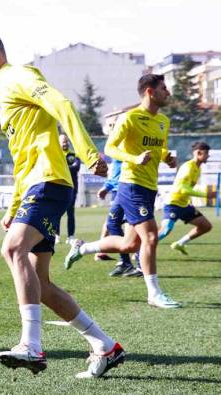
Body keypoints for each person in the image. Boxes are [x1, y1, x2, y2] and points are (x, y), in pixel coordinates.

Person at [0, 31, 123, 378]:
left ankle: (31, 345)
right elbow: (24, 157)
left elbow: (62, 104)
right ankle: (104, 346)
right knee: (42, 285)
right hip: (36, 183)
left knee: (12, 249)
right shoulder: (4, 92)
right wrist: (14, 205)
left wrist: (87, 152)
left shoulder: (18, 75)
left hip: (49, 181)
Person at [64, 74, 181, 309]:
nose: (168, 92)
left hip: (149, 187)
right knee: (150, 237)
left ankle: (83, 247)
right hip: (131, 185)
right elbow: (110, 148)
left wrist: (166, 156)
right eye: (163, 88)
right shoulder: (130, 118)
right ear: (150, 91)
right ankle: (154, 293)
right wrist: (134, 158)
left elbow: (158, 147)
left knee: (129, 245)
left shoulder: (163, 121)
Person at [159, 141, 213, 255]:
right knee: (165, 231)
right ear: (198, 153)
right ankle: (140, 250)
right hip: (173, 204)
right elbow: (183, 190)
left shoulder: (197, 168)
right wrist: (206, 194)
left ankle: (179, 243)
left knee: (205, 226)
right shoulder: (188, 167)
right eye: (206, 153)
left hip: (184, 205)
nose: (208, 156)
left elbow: (187, 189)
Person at [96, 159, 141, 277]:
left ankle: (141, 265)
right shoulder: (116, 148)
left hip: (131, 187)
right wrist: (107, 186)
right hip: (119, 190)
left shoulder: (129, 145)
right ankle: (125, 262)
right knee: (112, 223)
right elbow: (116, 172)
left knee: (133, 226)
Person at [58, 134, 81, 245]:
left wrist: (62, 167)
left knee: (70, 212)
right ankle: (56, 235)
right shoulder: (56, 154)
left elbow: (76, 167)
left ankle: (71, 236)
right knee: (57, 213)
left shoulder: (73, 154)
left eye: (66, 141)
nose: (64, 143)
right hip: (59, 187)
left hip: (72, 187)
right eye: (62, 142)